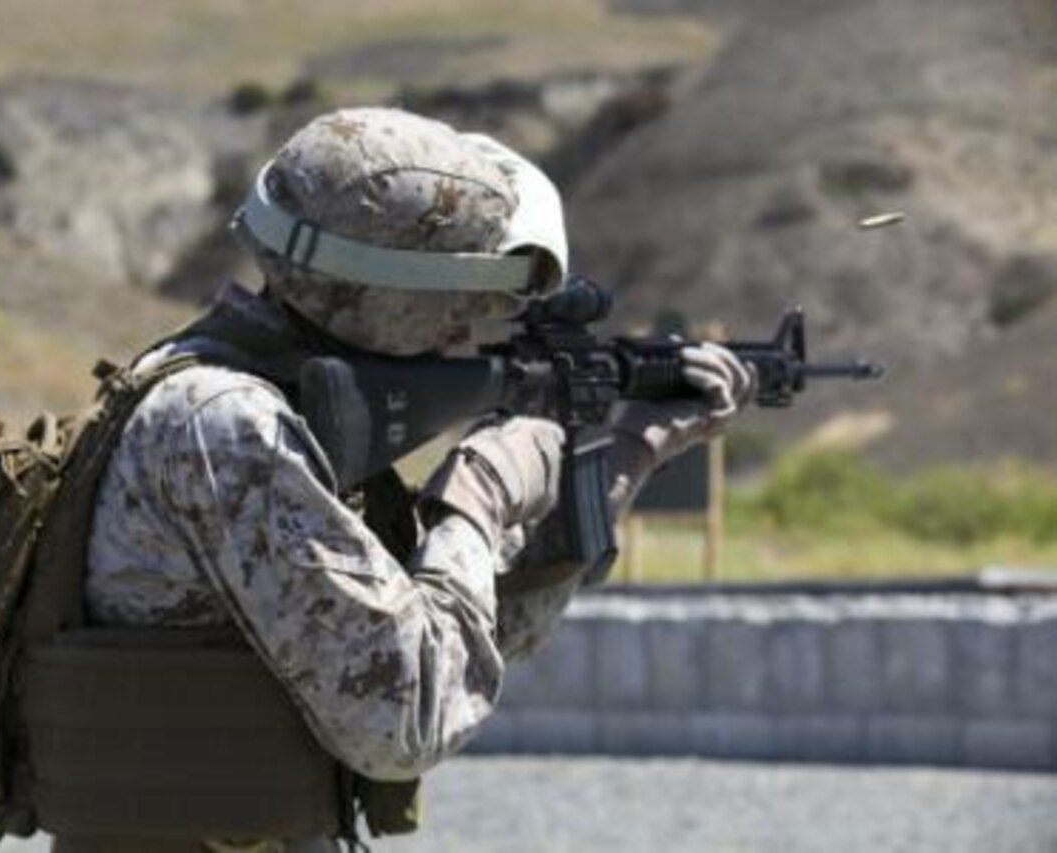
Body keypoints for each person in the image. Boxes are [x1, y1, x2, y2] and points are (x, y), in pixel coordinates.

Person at [62, 107, 755, 851]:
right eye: (464, 301)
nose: (473, 329)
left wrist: (624, 458)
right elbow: (406, 716)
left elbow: (471, 637)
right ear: (383, 292)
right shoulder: (226, 425)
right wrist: (478, 497)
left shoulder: (251, 396)